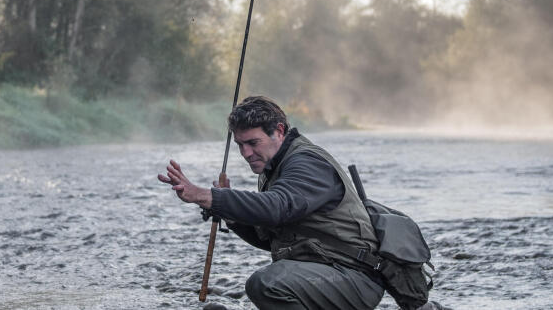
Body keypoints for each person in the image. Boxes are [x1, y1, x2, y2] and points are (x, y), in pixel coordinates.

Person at [158, 95, 384, 310]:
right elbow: (267, 238)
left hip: (354, 277)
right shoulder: (272, 168)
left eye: (253, 142)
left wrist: (204, 195)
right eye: (240, 145)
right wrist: (227, 212)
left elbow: (277, 207)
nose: (246, 153)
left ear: (279, 131)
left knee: (266, 284)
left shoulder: (306, 163)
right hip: (326, 272)